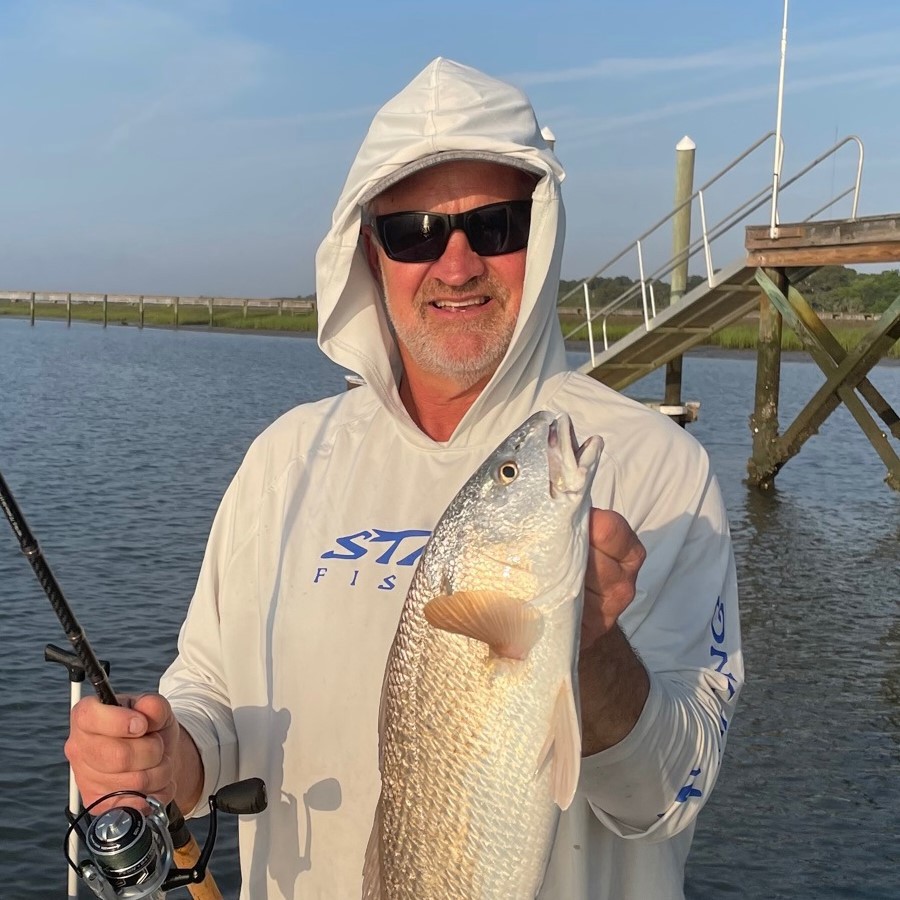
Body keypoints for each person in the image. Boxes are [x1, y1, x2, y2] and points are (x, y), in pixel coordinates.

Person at [66, 57, 743, 899]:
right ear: (369, 253)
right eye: (414, 232)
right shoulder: (286, 459)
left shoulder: (655, 468)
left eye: (495, 225)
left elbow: (671, 795)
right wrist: (172, 756)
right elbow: (211, 690)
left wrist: (593, 651)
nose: (456, 265)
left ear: (541, 233)